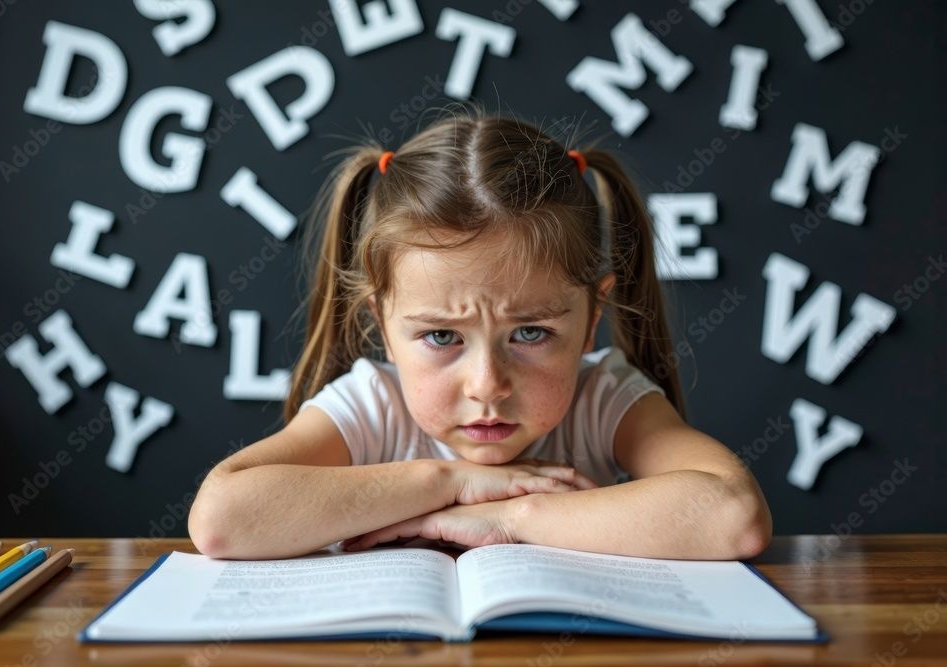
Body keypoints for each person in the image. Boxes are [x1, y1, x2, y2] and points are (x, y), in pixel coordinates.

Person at [188, 107, 772, 561]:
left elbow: (732, 514)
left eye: (532, 333)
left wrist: (508, 519)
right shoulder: (371, 406)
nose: (487, 385)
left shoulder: (605, 399)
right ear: (383, 328)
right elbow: (221, 519)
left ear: (592, 319)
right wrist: (452, 482)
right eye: (442, 337)